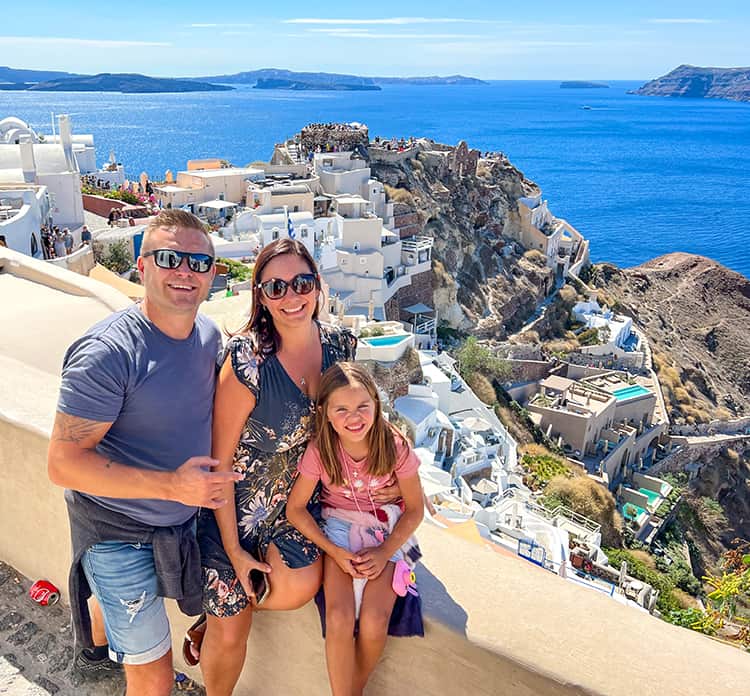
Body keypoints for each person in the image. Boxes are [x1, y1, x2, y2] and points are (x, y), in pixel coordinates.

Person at [48, 209, 241, 696]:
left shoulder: (210, 338)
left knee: (134, 630)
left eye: (199, 262)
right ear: (142, 264)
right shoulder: (108, 353)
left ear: (213, 275)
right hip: (116, 533)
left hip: (178, 526)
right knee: (154, 678)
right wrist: (173, 486)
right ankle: (104, 611)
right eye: (169, 257)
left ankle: (97, 623)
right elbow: (63, 463)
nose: (185, 271)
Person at [197, 238, 367, 696]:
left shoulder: (341, 347)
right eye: (276, 288)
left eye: (302, 282)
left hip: (295, 510)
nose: (292, 297)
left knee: (296, 586)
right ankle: (217, 621)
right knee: (232, 627)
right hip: (231, 512)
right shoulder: (247, 362)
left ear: (317, 285)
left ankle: (216, 608)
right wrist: (233, 551)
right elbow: (218, 464)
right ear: (261, 297)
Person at [287, 362, 424, 696]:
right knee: (338, 618)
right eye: (342, 409)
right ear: (326, 413)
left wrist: (384, 552)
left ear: (376, 404)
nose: (354, 417)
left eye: (363, 406)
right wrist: (334, 551)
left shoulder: (394, 446)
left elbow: (415, 509)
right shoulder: (322, 450)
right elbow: (296, 509)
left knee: (376, 621)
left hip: (386, 530)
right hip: (338, 533)